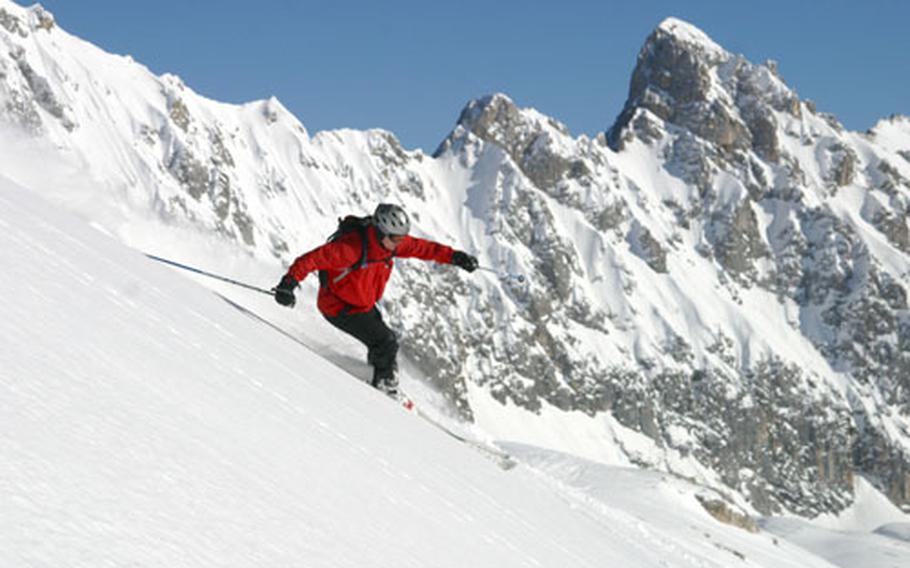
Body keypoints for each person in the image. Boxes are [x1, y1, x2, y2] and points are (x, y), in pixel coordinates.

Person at [273, 203, 479, 396]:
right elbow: (311, 260)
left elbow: (423, 248)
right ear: (380, 232)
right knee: (386, 342)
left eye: (401, 238)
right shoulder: (350, 249)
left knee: (382, 343)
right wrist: (288, 284)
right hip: (338, 307)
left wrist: (455, 257)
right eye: (395, 238)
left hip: (362, 305)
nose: (400, 243)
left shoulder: (391, 244)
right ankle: (384, 389)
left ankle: (380, 378)